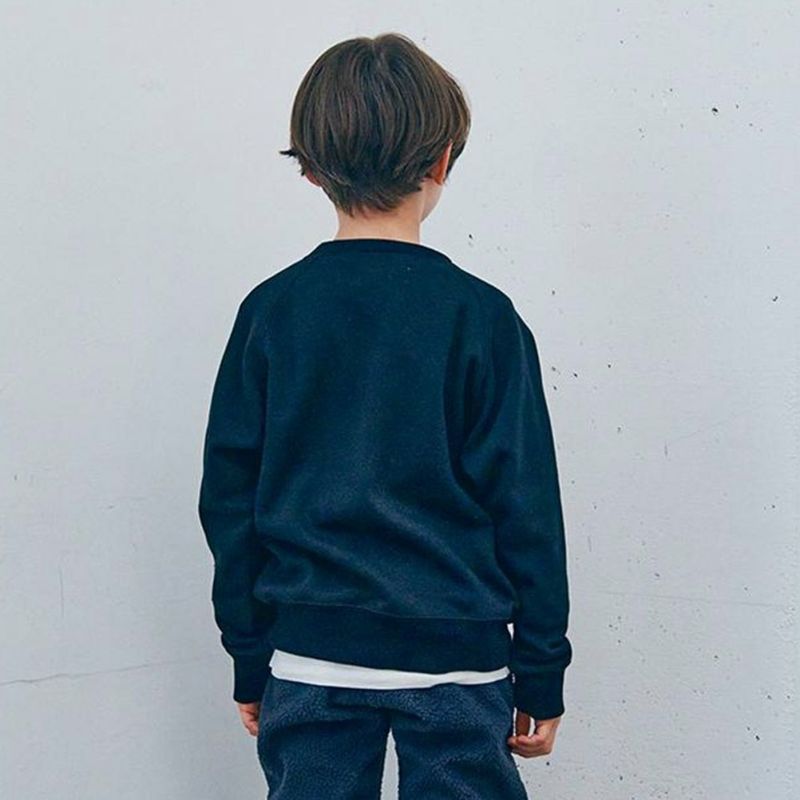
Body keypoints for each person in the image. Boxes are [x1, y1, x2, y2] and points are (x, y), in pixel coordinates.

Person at [197, 31, 573, 800]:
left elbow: (228, 502)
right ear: (442, 162)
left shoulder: (272, 313)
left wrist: (250, 654)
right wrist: (541, 669)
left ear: (309, 167)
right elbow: (527, 507)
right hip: (457, 658)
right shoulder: (483, 319)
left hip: (310, 655)